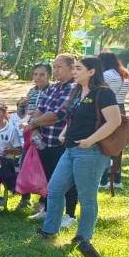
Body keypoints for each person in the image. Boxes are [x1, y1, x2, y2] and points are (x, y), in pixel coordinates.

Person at [37, 57, 121, 243]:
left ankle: (83, 237)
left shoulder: (104, 93)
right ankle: (50, 230)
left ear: (91, 72)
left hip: (91, 151)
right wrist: (64, 133)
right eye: (74, 68)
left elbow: (115, 121)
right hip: (70, 149)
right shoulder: (77, 90)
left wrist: (90, 140)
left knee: (87, 196)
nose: (74, 71)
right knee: (55, 189)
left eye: (78, 68)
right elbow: (72, 117)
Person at [24, 54, 78, 226]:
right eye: (54, 67)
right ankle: (47, 208)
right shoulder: (54, 88)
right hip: (45, 141)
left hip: (62, 142)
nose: (55, 70)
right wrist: (37, 126)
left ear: (71, 68)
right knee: (49, 177)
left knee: (67, 180)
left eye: (59, 67)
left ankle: (69, 214)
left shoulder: (74, 89)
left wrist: (34, 123)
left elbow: (58, 115)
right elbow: (40, 109)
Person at [98, 52, 129, 190]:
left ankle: (103, 180)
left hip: (108, 109)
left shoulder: (106, 75)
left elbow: (99, 91)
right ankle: (117, 179)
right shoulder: (126, 75)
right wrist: (121, 97)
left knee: (104, 143)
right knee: (118, 144)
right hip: (122, 109)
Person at [0, 101, 22, 194]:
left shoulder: (11, 129)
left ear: (4, 114)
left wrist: (10, 150)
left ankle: (14, 189)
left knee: (5, 171)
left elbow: (19, 150)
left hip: (5, 161)